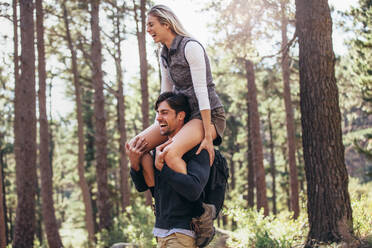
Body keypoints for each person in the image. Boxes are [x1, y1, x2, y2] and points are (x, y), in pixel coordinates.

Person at [129, 4, 226, 180]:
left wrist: (207, 136)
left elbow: (202, 92)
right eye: (146, 26)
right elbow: (165, 93)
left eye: (151, 24)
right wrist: (160, 124)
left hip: (208, 115)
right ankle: (158, 204)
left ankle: (197, 206)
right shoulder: (163, 53)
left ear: (166, 24)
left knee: (170, 153)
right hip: (180, 114)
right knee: (135, 146)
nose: (148, 30)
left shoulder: (190, 47)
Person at [127, 92, 215, 247]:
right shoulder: (158, 151)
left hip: (182, 233)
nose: (159, 118)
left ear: (180, 116)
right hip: (161, 233)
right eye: (158, 113)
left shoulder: (197, 150)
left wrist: (163, 169)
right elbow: (143, 187)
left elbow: (194, 190)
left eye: (165, 113)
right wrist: (135, 164)